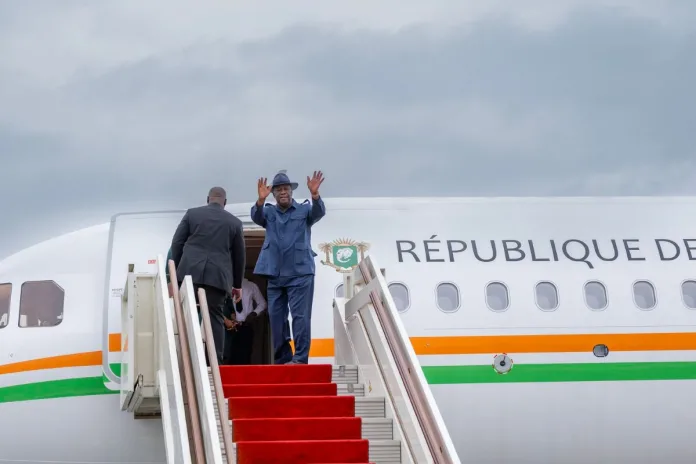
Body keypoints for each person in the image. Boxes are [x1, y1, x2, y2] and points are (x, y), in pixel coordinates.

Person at [251, 170, 326, 364]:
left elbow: (319, 212)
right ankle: (283, 357)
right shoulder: (268, 212)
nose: (283, 192)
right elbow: (256, 217)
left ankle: (300, 358)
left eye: (286, 189)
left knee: (300, 317)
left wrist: (315, 195)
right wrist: (260, 200)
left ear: (291, 192)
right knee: (277, 319)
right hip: (275, 274)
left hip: (300, 273)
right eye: (279, 190)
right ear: (273, 194)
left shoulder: (304, 210)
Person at [170, 186, 245, 363]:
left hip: (189, 274)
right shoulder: (234, 223)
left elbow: (176, 243)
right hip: (217, 278)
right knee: (215, 318)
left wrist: (179, 271)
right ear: (225, 203)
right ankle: (215, 361)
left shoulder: (191, 214)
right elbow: (239, 256)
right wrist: (237, 285)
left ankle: (185, 358)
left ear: (207, 199)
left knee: (188, 315)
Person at [222, 277, 267, 365]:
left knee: (245, 357)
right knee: (228, 356)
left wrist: (254, 313)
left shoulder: (251, 286)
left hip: (245, 326)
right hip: (228, 328)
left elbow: (262, 303)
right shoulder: (226, 285)